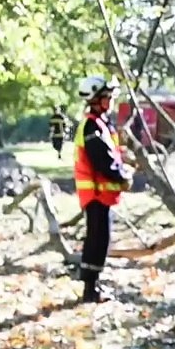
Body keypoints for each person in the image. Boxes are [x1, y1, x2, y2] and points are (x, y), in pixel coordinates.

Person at [73, 76, 133, 304]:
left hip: (101, 194)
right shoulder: (91, 126)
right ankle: (90, 290)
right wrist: (122, 175)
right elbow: (102, 160)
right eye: (107, 96)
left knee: (100, 239)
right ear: (96, 99)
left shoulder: (100, 123)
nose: (110, 101)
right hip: (96, 194)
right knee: (97, 240)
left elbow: (111, 155)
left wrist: (124, 164)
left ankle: (92, 286)